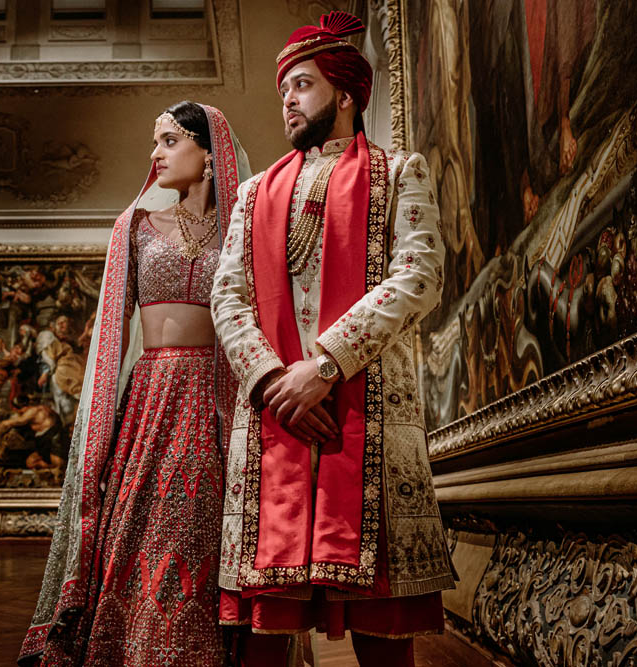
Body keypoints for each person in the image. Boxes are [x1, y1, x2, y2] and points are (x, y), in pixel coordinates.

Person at [212, 11, 453, 667]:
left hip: (365, 414)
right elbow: (227, 296)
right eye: (283, 90)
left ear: (345, 93)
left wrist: (322, 365)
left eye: (301, 85)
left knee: (383, 637)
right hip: (276, 420)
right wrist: (271, 380)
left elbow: (421, 274)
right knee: (263, 636)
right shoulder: (254, 194)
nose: (287, 101)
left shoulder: (401, 171)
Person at [19, 102, 250, 666]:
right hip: (151, 398)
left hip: (220, 399)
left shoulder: (242, 230)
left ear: (210, 153)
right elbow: (111, 337)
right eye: (157, 142)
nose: (155, 154)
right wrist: (99, 429)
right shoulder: (136, 227)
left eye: (170, 141)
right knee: (137, 529)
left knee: (204, 530)